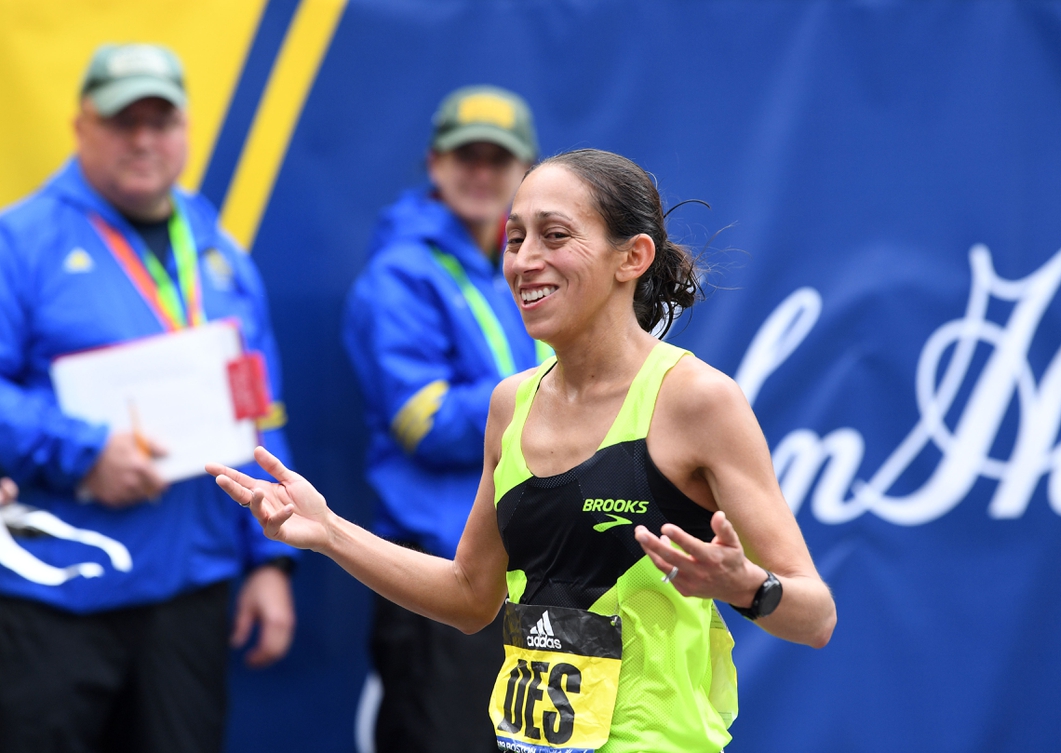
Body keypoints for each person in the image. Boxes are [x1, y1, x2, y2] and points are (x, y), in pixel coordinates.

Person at [212, 148, 837, 752]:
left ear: (633, 257)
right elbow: (469, 596)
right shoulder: (511, 404)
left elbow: (815, 617)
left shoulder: (698, 401)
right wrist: (328, 531)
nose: (526, 260)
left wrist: (747, 587)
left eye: (556, 236)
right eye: (515, 239)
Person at [0, 43, 298, 753]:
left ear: (185, 129)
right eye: (121, 120)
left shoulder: (219, 250)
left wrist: (269, 557)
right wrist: (84, 451)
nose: (143, 139)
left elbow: (261, 406)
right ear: (81, 127)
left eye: (159, 120)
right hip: (56, 592)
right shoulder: (21, 239)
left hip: (189, 588)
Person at [342, 84, 542, 753]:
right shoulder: (398, 275)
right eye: (466, 157)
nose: (482, 173)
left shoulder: (530, 269)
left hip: (536, 573)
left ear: (526, 172)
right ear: (435, 163)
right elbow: (423, 424)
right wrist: (560, 405)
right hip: (440, 574)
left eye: (498, 159)